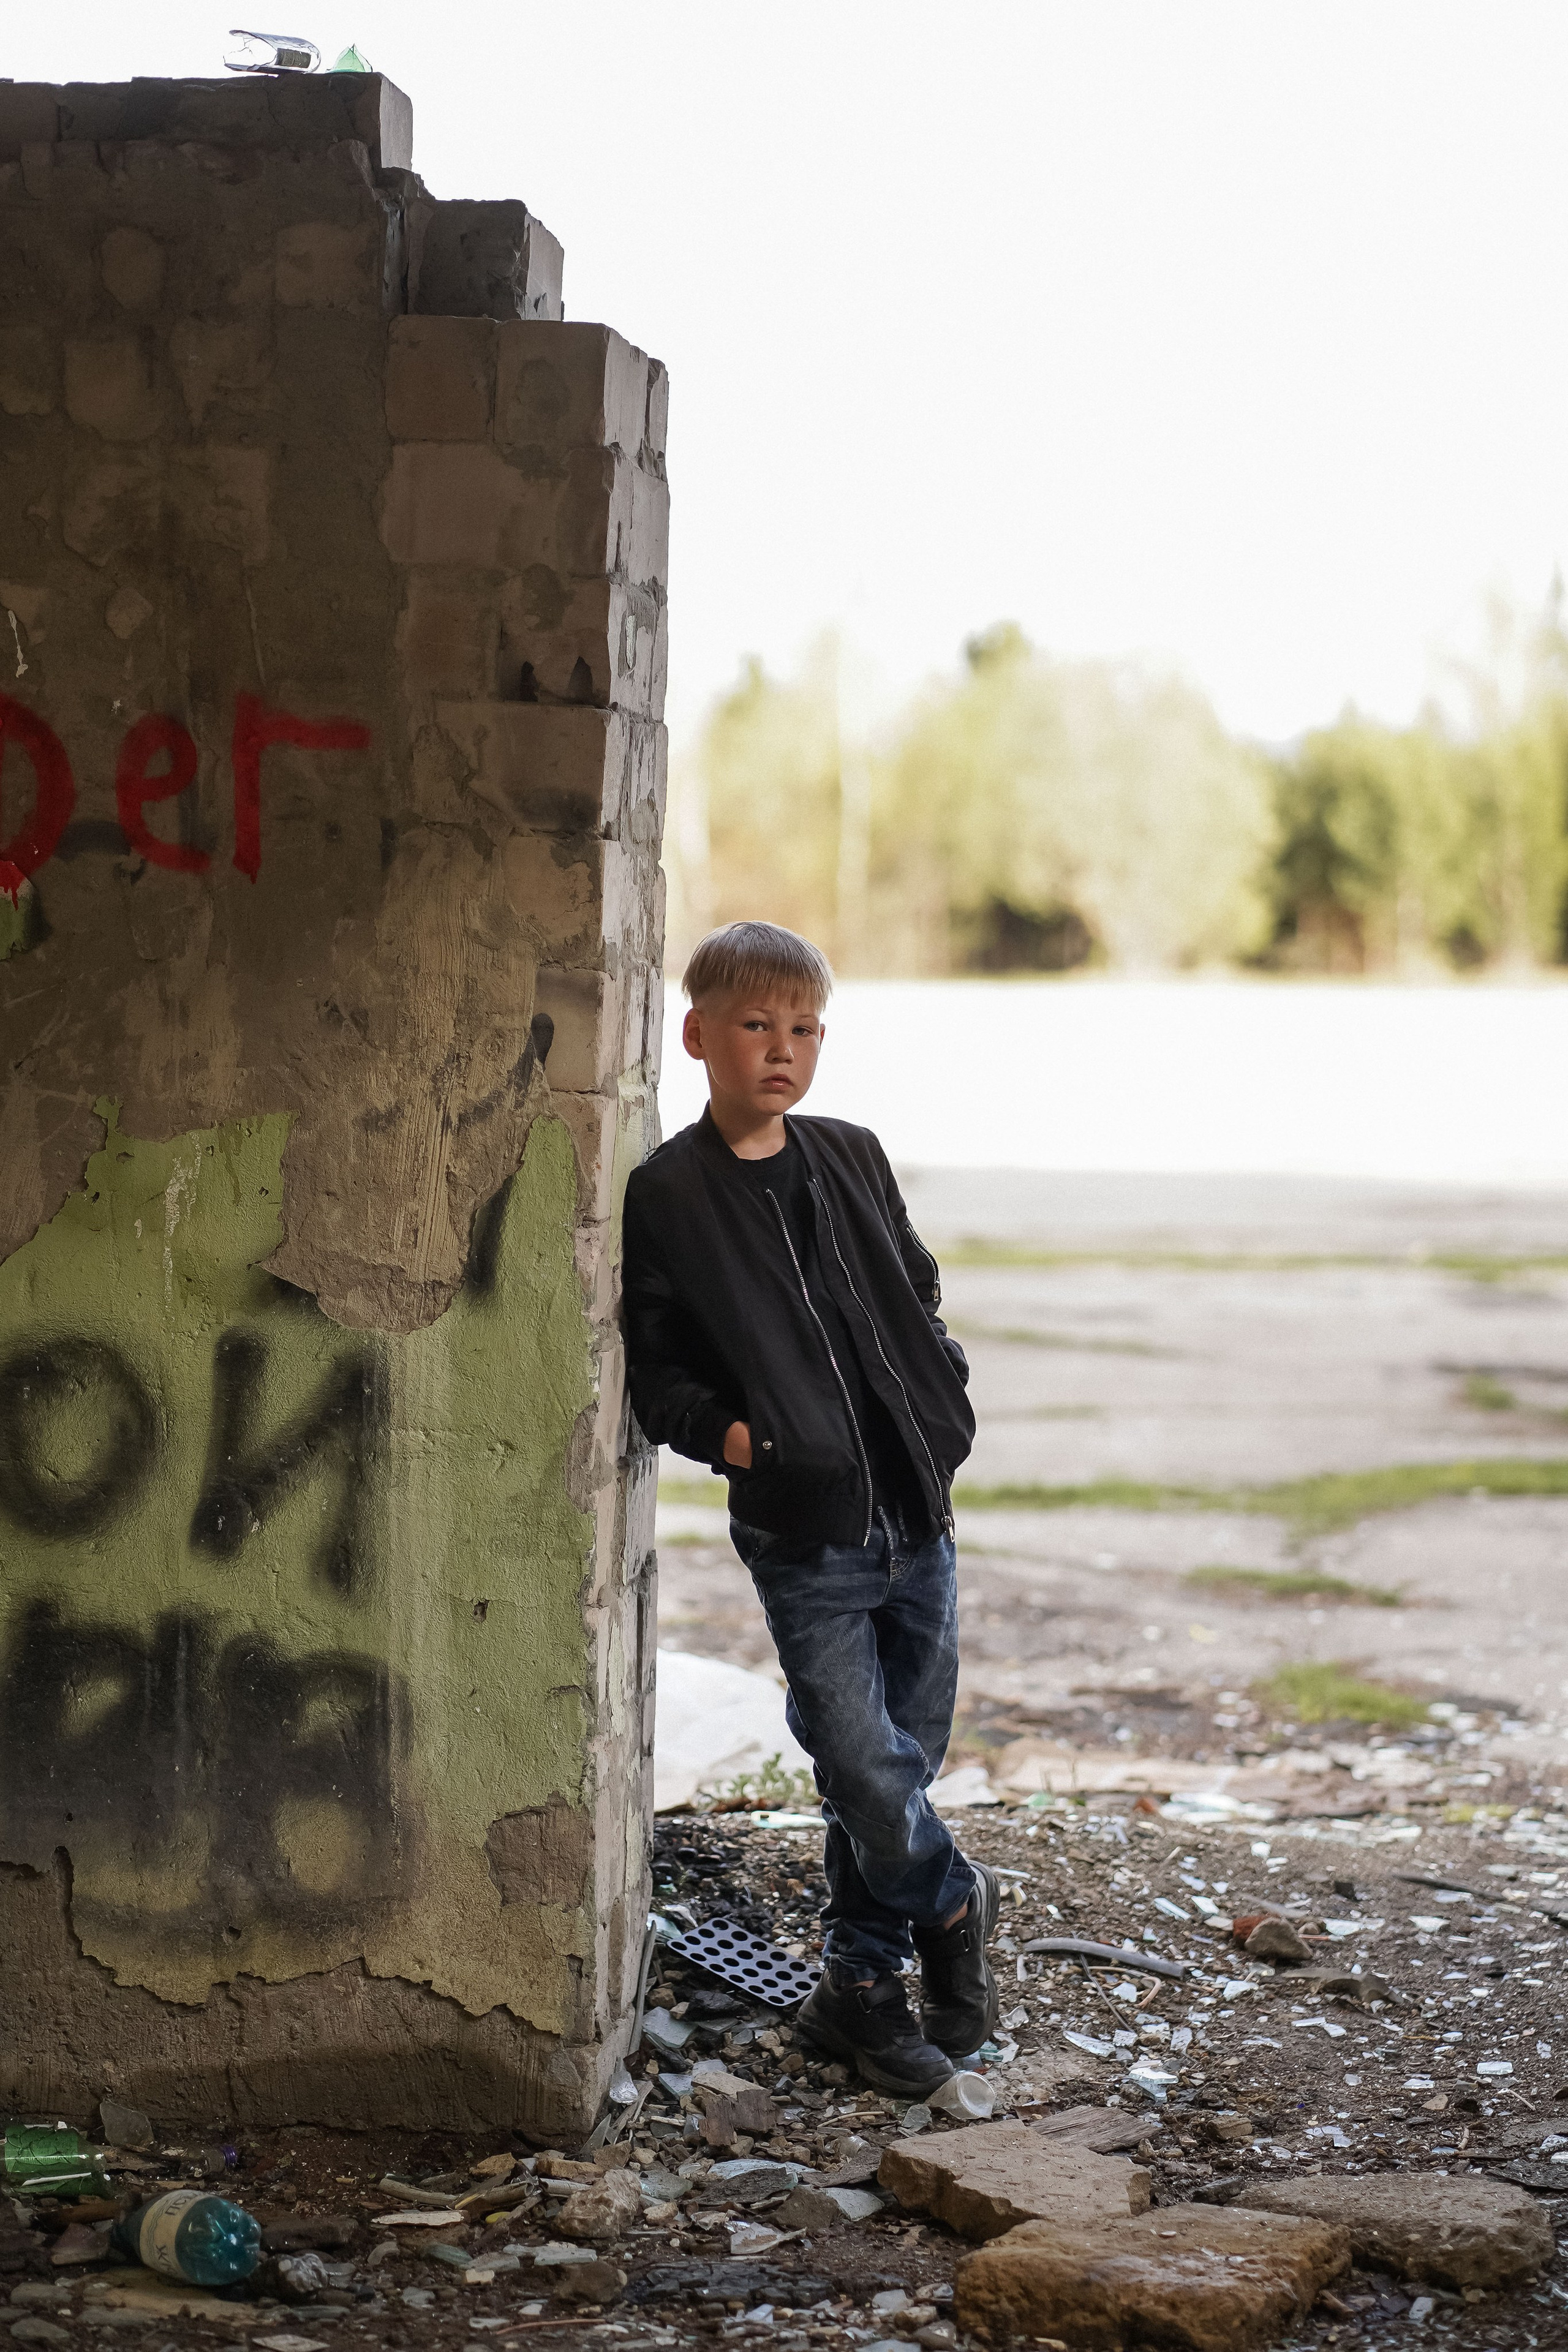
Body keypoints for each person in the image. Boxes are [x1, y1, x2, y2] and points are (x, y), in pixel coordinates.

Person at [621, 918, 998, 2097]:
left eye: (804, 1030)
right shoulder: (670, 1193)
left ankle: (859, 1988)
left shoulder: (851, 1153)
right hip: (805, 1529)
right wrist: (740, 1439)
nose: (782, 1050)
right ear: (698, 1036)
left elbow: (916, 1282)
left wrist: (938, 1381)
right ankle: (949, 1902)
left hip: (916, 1516)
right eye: (755, 1025)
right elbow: (659, 1364)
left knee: (897, 1768)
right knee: (859, 1759)